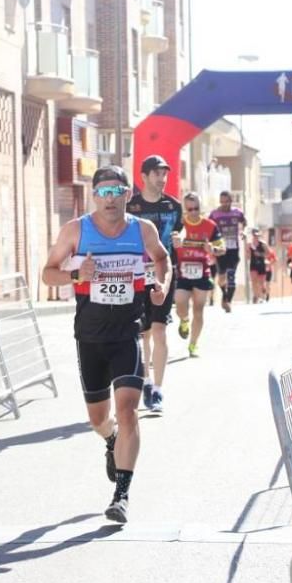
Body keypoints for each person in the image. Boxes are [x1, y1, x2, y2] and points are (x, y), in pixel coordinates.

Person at [41, 165, 170, 522]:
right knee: (99, 418)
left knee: (128, 410)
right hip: (90, 336)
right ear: (94, 195)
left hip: (128, 332)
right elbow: (47, 273)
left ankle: (122, 495)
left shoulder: (142, 229)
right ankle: (110, 439)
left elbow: (161, 258)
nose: (111, 199)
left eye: (118, 192)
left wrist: (161, 285)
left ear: (129, 194)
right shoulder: (75, 231)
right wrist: (73, 274)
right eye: (104, 192)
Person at [126, 154, 183, 413]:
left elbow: (179, 229)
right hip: (138, 274)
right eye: (157, 174)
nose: (162, 179)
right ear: (144, 177)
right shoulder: (131, 207)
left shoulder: (173, 205)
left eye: (165, 174)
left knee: (159, 330)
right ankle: (146, 381)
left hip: (166, 272)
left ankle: (158, 390)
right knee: (144, 333)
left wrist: (179, 237)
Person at [174, 193, 225, 357]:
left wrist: (213, 249)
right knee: (180, 302)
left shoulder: (210, 225)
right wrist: (174, 241)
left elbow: (222, 248)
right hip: (182, 271)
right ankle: (183, 320)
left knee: (198, 309)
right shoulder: (180, 223)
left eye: (196, 208)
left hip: (202, 271)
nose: (194, 212)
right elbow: (170, 240)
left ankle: (193, 344)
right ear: (185, 209)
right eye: (190, 209)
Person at [209, 191, 248, 312]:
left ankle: (228, 301)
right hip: (220, 249)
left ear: (231, 201)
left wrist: (244, 231)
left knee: (231, 276)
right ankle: (224, 294)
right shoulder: (214, 214)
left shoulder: (237, 212)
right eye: (222, 202)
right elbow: (208, 227)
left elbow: (244, 222)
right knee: (221, 277)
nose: (224, 204)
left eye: (226, 202)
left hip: (233, 248)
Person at [246, 228, 271, 303]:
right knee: (254, 281)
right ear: (252, 235)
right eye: (254, 235)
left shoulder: (263, 244)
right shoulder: (249, 244)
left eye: (257, 235)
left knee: (261, 282)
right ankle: (256, 296)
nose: (256, 236)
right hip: (253, 264)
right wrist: (248, 254)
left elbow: (268, 253)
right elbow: (247, 255)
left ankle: (262, 296)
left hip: (261, 264)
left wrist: (260, 254)